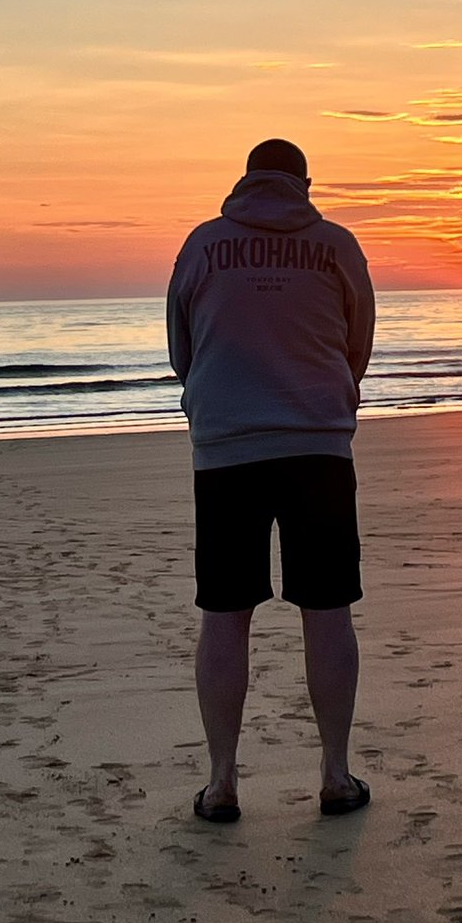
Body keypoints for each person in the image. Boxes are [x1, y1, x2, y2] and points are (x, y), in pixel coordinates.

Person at [166, 139, 376, 823]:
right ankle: (335, 775)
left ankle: (222, 781)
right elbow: (357, 344)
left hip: (226, 449)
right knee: (327, 609)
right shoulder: (336, 245)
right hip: (316, 445)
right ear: (305, 183)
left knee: (224, 615)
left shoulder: (203, 245)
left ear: (245, 179)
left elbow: (180, 349)